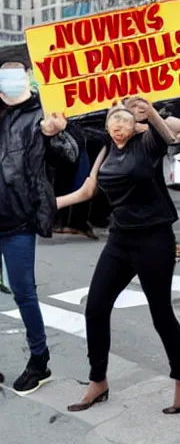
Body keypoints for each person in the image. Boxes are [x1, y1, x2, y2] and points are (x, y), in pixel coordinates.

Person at [59, 98, 180, 414]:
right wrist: (50, 204)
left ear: (134, 123)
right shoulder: (107, 148)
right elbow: (88, 190)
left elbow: (171, 135)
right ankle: (98, 381)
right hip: (120, 240)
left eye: (124, 122)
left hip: (154, 238)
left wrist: (149, 113)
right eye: (113, 123)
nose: (118, 129)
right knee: (94, 308)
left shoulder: (147, 143)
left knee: (161, 316)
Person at [0, 60, 74, 394]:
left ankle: (39, 360)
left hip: (19, 219)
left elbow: (70, 155)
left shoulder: (44, 115)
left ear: (28, 80)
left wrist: (54, 135)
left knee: (23, 292)